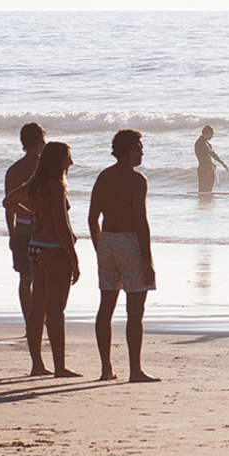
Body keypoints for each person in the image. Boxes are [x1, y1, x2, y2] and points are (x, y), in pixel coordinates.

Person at [4, 140, 81, 377]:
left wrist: (35, 214)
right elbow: (62, 226)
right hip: (54, 250)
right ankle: (59, 367)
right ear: (57, 161)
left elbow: (8, 201)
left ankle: (37, 365)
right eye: (68, 157)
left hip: (35, 248)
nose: (71, 162)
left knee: (38, 308)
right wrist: (75, 260)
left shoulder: (35, 184)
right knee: (56, 311)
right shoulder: (56, 187)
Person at [89, 129, 158, 382]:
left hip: (107, 239)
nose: (142, 152)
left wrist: (101, 248)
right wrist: (147, 259)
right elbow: (141, 220)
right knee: (135, 310)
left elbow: (92, 218)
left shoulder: (104, 176)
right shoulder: (137, 180)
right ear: (129, 150)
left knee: (106, 307)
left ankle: (106, 369)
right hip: (129, 241)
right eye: (139, 147)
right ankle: (135, 370)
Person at [4, 123, 45, 348]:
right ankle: (42, 320)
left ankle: (29, 322)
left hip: (21, 226)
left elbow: (9, 205)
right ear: (40, 140)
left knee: (25, 278)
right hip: (42, 226)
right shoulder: (44, 167)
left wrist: (11, 233)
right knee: (43, 278)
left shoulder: (13, 170)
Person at [194, 125, 229, 193]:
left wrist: (222, 163)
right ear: (208, 133)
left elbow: (212, 154)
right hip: (203, 169)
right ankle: (202, 203)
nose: (212, 136)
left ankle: (209, 203)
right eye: (212, 134)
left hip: (209, 168)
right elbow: (201, 156)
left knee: (209, 190)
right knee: (203, 190)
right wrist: (211, 163)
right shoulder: (200, 143)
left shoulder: (207, 143)